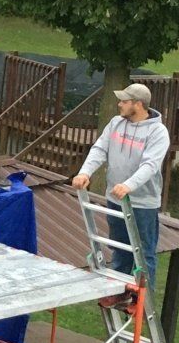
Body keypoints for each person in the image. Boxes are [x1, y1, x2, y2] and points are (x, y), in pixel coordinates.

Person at [72, 82, 170, 297]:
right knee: (120, 248)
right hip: (115, 200)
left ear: (138, 104)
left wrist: (129, 185)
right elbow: (99, 149)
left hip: (142, 204)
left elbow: (150, 166)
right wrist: (84, 173)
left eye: (124, 101)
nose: (119, 105)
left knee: (143, 253)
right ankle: (119, 293)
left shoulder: (157, 132)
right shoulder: (116, 123)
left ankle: (142, 300)